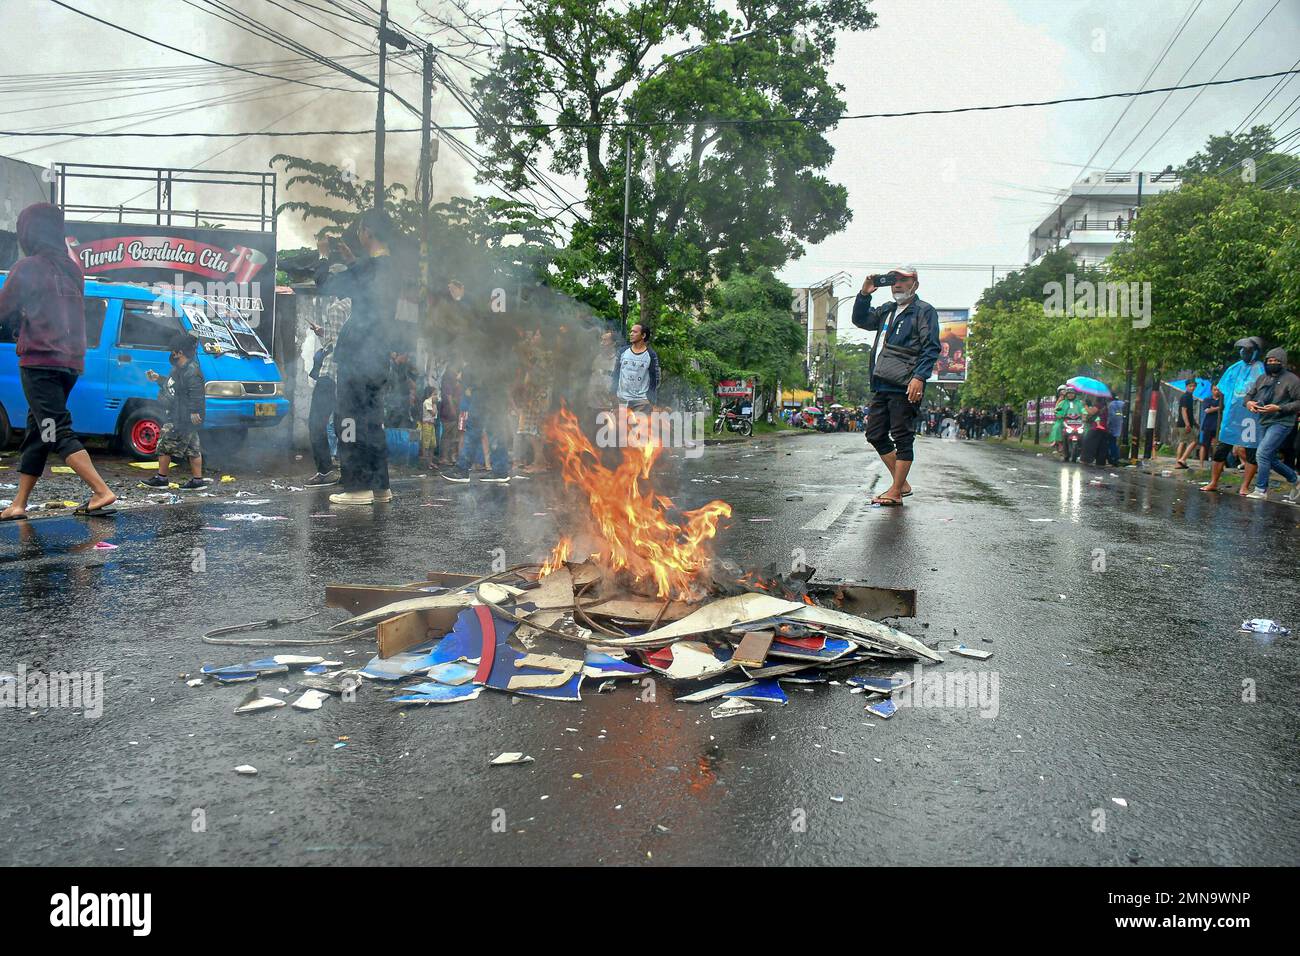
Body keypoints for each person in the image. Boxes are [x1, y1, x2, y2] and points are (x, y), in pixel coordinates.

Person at [0, 202, 116, 520]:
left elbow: (3, 310)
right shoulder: (72, 269)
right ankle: (19, 504)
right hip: (70, 364)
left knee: (54, 429)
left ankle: (101, 490)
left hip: (39, 362)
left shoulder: (27, 268)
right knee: (39, 430)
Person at [314, 211, 401, 506]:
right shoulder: (391, 269)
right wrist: (352, 261)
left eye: (360, 230)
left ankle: (356, 488)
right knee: (373, 423)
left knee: (349, 420)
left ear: (367, 231)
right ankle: (380, 487)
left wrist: (325, 255)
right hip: (378, 358)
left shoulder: (369, 269)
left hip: (358, 357)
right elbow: (365, 283)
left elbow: (325, 283)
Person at [851, 266, 941, 506]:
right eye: (894, 280)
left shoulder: (924, 311)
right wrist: (864, 293)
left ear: (915, 285)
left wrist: (919, 377)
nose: (897, 284)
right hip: (881, 383)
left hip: (905, 383)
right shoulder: (887, 310)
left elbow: (931, 347)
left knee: (902, 436)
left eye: (903, 280)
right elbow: (860, 320)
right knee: (875, 434)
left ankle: (895, 491)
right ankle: (901, 484)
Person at [138, 333, 210, 490]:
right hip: (182, 415)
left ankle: (161, 479)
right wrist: (157, 378)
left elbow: (196, 392)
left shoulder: (191, 371)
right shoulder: (180, 369)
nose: (171, 354)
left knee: (164, 446)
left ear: (180, 352)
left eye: (173, 351)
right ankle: (197, 481)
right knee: (193, 448)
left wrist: (194, 412)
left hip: (182, 417)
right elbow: (173, 386)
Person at [1202, 337, 1265, 495]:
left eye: (1248, 350)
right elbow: (1223, 389)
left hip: (1251, 418)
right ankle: (1214, 482)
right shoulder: (1234, 368)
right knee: (1220, 451)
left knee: (1251, 452)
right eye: (1242, 350)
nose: (1243, 352)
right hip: (1231, 417)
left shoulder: (1261, 370)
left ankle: (1244, 486)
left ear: (1256, 352)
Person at [1243, 348, 1300, 502]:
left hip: (1282, 421)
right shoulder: (1262, 378)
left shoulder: (1292, 379)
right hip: (1263, 420)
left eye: (1276, 361)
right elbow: (1249, 395)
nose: (1272, 363)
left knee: (1262, 453)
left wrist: (1280, 408)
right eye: (1269, 361)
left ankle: (1261, 489)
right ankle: (1295, 480)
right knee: (1268, 457)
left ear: (1283, 362)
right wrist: (1249, 403)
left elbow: (1298, 402)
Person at [304, 313, 337, 486]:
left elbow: (337, 338)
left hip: (329, 380)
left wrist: (325, 332)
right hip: (330, 381)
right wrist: (321, 332)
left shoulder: (338, 308)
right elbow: (335, 337)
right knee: (338, 426)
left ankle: (326, 471)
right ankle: (332, 470)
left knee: (316, 425)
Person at [612, 322, 660, 415]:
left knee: (638, 429)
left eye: (635, 332)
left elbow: (655, 379)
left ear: (643, 335)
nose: (631, 334)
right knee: (621, 429)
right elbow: (616, 374)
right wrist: (613, 393)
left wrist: (650, 400)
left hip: (641, 403)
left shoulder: (651, 355)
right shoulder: (623, 352)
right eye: (631, 331)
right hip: (622, 400)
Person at [1174, 379, 1199, 469]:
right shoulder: (1186, 397)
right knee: (1194, 441)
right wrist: (1187, 424)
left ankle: (1178, 462)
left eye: (1193, 386)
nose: (1192, 388)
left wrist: (1195, 423)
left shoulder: (1189, 397)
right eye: (1190, 386)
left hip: (1182, 423)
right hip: (1184, 424)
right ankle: (1182, 459)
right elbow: (1184, 411)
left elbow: (1189, 412)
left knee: (1182, 442)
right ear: (1186, 386)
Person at [1198, 386, 1222, 469]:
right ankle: (1201, 464)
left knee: (1218, 445)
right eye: (1215, 390)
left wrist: (1213, 408)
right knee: (1204, 445)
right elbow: (1207, 410)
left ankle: (1217, 466)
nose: (1216, 391)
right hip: (1208, 425)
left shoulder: (1222, 400)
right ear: (1211, 391)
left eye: (1218, 390)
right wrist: (1218, 408)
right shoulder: (1207, 399)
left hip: (1218, 425)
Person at [1081, 396, 1109, 466]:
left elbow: (1091, 412)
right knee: (1101, 445)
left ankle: (1086, 460)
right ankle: (1100, 462)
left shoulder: (1098, 405)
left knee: (1088, 442)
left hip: (1097, 427)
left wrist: (1085, 405)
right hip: (1104, 427)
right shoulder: (1104, 405)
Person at [1106, 395, 1125, 465]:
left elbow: (1111, 416)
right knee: (1114, 442)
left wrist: (1107, 425)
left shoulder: (1111, 405)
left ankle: (1113, 457)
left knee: (1111, 443)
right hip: (1119, 425)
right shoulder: (1121, 404)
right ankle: (1116, 457)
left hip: (1112, 427)